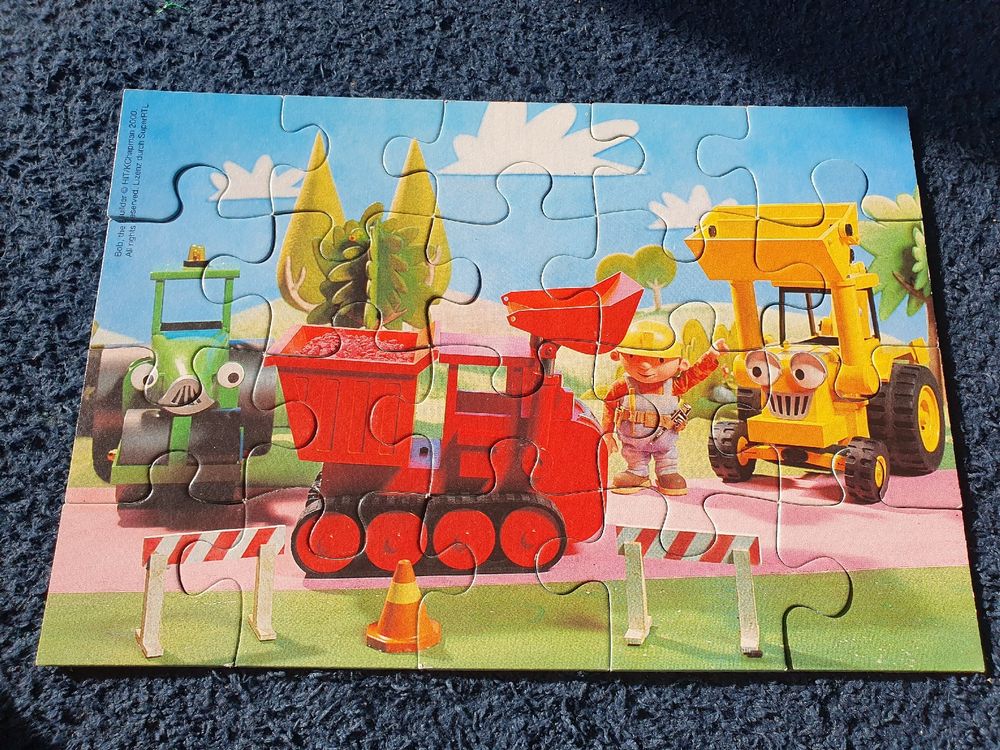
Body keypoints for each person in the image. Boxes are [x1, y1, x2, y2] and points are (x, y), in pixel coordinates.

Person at [602, 320, 727, 495]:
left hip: (665, 441)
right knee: (634, 456)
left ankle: (667, 473)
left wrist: (711, 355)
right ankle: (637, 473)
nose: (645, 366)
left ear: (681, 363)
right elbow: (609, 405)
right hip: (633, 443)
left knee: (667, 457)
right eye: (633, 357)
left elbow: (695, 374)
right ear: (617, 355)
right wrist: (607, 433)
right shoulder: (622, 386)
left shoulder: (674, 385)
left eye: (660, 360)